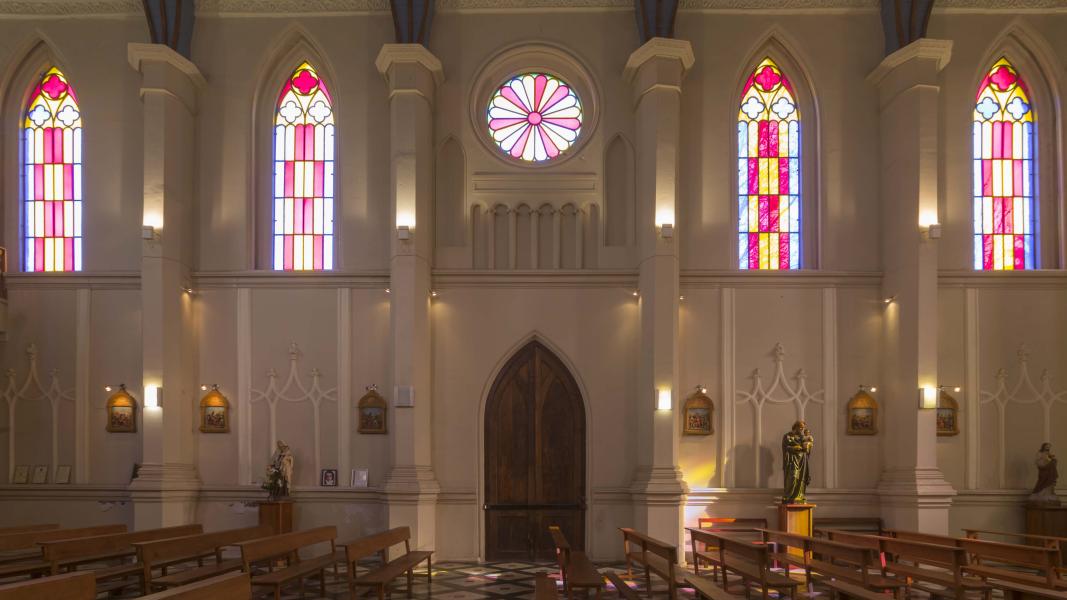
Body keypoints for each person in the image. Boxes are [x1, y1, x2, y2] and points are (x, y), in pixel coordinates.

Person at [782, 420, 814, 503]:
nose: (802, 430)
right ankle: (789, 496)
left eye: (803, 428)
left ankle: (799, 496)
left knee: (801, 479)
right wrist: (794, 448)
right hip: (792, 460)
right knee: (793, 477)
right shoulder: (788, 436)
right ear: (795, 427)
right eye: (800, 428)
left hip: (802, 460)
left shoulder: (803, 438)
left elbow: (807, 450)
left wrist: (808, 446)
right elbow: (786, 447)